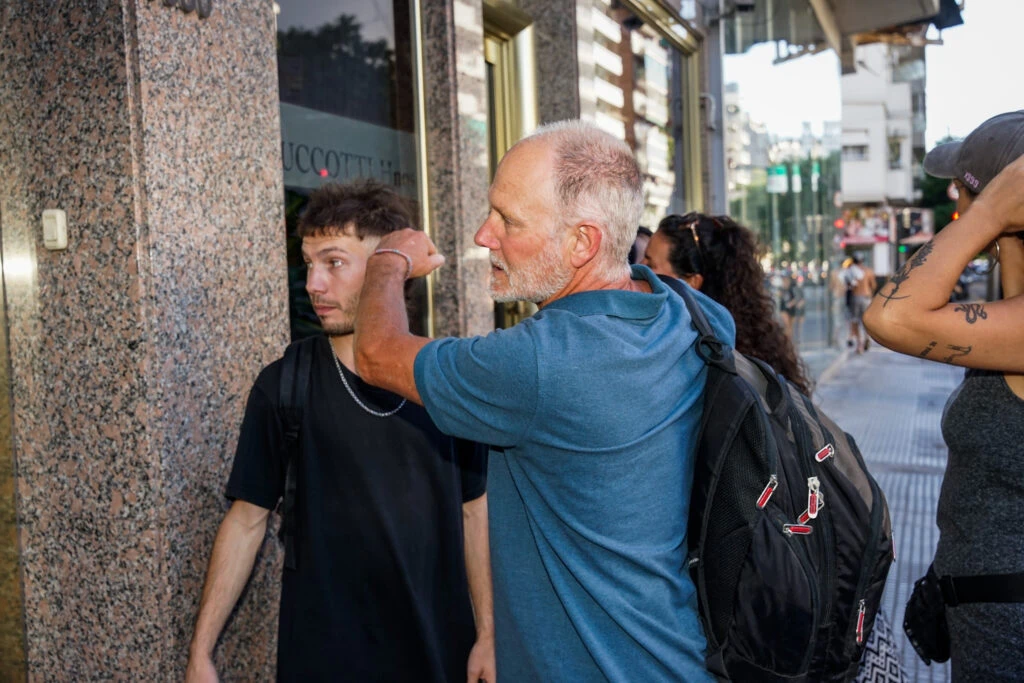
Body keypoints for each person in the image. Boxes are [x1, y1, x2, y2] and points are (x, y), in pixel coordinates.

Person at [351, 120, 736, 681]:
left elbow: (377, 353)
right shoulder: (688, 313)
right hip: (677, 657)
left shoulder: (538, 364)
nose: (485, 235)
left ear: (583, 242)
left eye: (508, 219)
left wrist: (387, 258)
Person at [185, 181, 494, 683]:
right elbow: (246, 520)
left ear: (389, 268)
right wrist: (202, 652)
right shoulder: (285, 383)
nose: (313, 284)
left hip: (439, 651)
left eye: (333, 263)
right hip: (324, 656)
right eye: (309, 264)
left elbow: (475, 512)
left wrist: (490, 635)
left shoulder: (445, 378)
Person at [863, 111, 1024, 681]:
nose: (955, 208)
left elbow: (891, 316)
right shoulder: (1006, 317)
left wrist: (989, 213)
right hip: (987, 619)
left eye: (962, 193)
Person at [642, 212, 811, 394]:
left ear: (692, 282)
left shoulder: (705, 359)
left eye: (650, 265)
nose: (637, 268)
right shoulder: (750, 344)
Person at [845, 253, 875, 353]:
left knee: (855, 321)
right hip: (866, 298)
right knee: (865, 321)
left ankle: (859, 345)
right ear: (862, 260)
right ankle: (867, 337)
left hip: (856, 297)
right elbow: (873, 285)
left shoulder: (851, 271)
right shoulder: (868, 271)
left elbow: (849, 286)